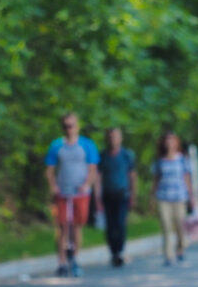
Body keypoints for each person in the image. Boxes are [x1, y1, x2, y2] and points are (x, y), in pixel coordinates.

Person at [45, 113, 100, 277]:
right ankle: (61, 262)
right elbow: (49, 170)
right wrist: (53, 186)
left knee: (76, 226)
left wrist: (86, 184)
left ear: (78, 126)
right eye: (67, 126)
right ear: (63, 128)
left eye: (73, 125)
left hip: (80, 193)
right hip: (63, 192)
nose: (70, 129)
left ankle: (75, 260)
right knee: (62, 227)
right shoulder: (57, 146)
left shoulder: (87, 145)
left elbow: (93, 169)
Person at [97, 127, 137, 267]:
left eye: (116, 136)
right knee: (110, 225)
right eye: (111, 136)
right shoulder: (103, 156)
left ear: (121, 138)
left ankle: (120, 251)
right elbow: (98, 177)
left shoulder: (127, 155)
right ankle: (113, 252)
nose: (113, 139)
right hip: (107, 195)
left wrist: (133, 194)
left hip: (122, 195)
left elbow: (132, 176)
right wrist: (97, 198)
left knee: (120, 224)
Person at [153, 131, 194, 266]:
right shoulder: (159, 160)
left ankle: (180, 248)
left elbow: (187, 179)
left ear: (176, 142)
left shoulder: (182, 159)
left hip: (179, 197)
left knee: (180, 227)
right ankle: (168, 255)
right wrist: (152, 197)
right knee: (166, 226)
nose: (169, 143)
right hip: (163, 197)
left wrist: (191, 196)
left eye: (172, 140)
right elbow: (156, 180)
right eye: (167, 140)